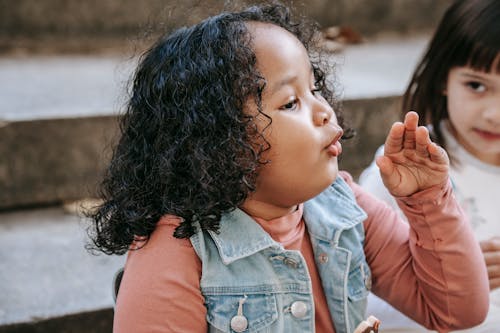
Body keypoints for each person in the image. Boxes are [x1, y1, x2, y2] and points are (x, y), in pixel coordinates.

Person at [87, 3, 489, 333]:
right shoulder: (175, 254)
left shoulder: (345, 207)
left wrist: (428, 200)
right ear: (216, 138)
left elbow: (456, 310)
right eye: (290, 103)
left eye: (314, 89)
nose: (324, 110)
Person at [359, 0, 500, 332]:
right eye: (476, 86)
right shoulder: (409, 168)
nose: (494, 114)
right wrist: (452, 273)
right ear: (443, 78)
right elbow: (357, 276)